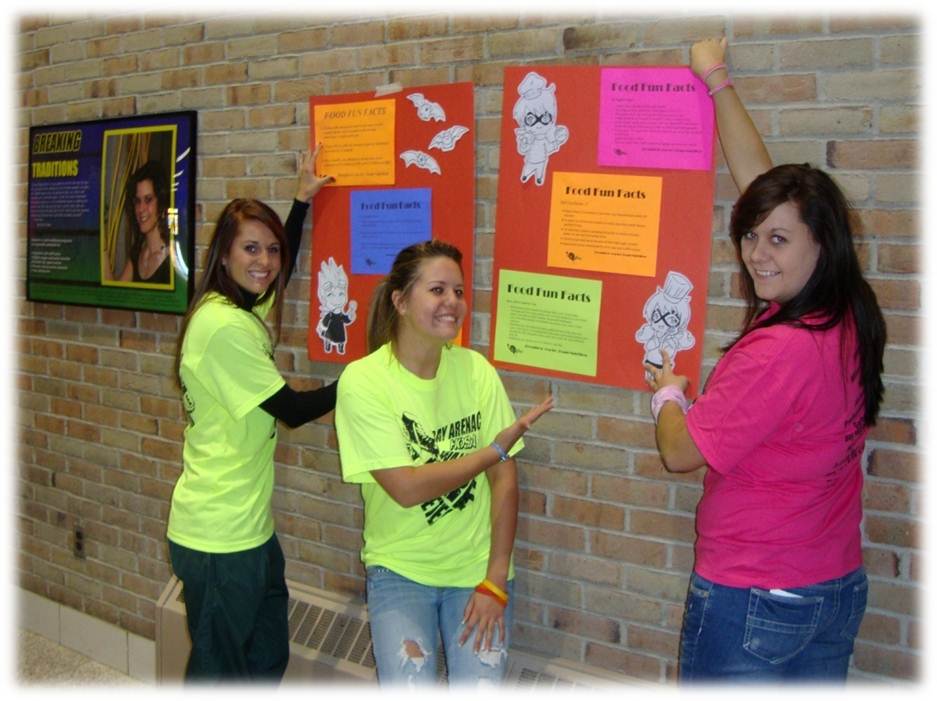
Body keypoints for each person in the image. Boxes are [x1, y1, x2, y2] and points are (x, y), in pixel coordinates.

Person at [644, 37, 886, 683]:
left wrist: (668, 395)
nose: (756, 254)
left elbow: (679, 452)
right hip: (830, 586)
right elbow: (766, 191)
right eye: (750, 236)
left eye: (776, 240)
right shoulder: (847, 311)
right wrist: (715, 80)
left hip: (752, 596)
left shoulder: (776, 349)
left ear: (818, 242)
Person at [334, 240, 554, 686]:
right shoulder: (364, 381)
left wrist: (495, 580)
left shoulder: (476, 370)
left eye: (458, 291)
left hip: (475, 573)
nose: (452, 302)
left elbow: (505, 480)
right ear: (399, 300)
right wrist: (492, 449)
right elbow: (406, 487)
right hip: (400, 571)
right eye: (437, 290)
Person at [166, 147, 336, 682]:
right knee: (220, 670)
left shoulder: (236, 306)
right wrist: (366, 378)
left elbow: (275, 274)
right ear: (223, 255)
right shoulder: (223, 328)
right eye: (249, 249)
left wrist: (301, 204)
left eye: (270, 250)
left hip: (251, 530)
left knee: (264, 659)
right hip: (219, 538)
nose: (263, 260)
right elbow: (291, 409)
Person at [115, 160, 172, 283]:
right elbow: (113, 294)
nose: (141, 209)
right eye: (137, 201)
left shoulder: (172, 260)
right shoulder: (137, 252)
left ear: (161, 203)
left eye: (148, 200)